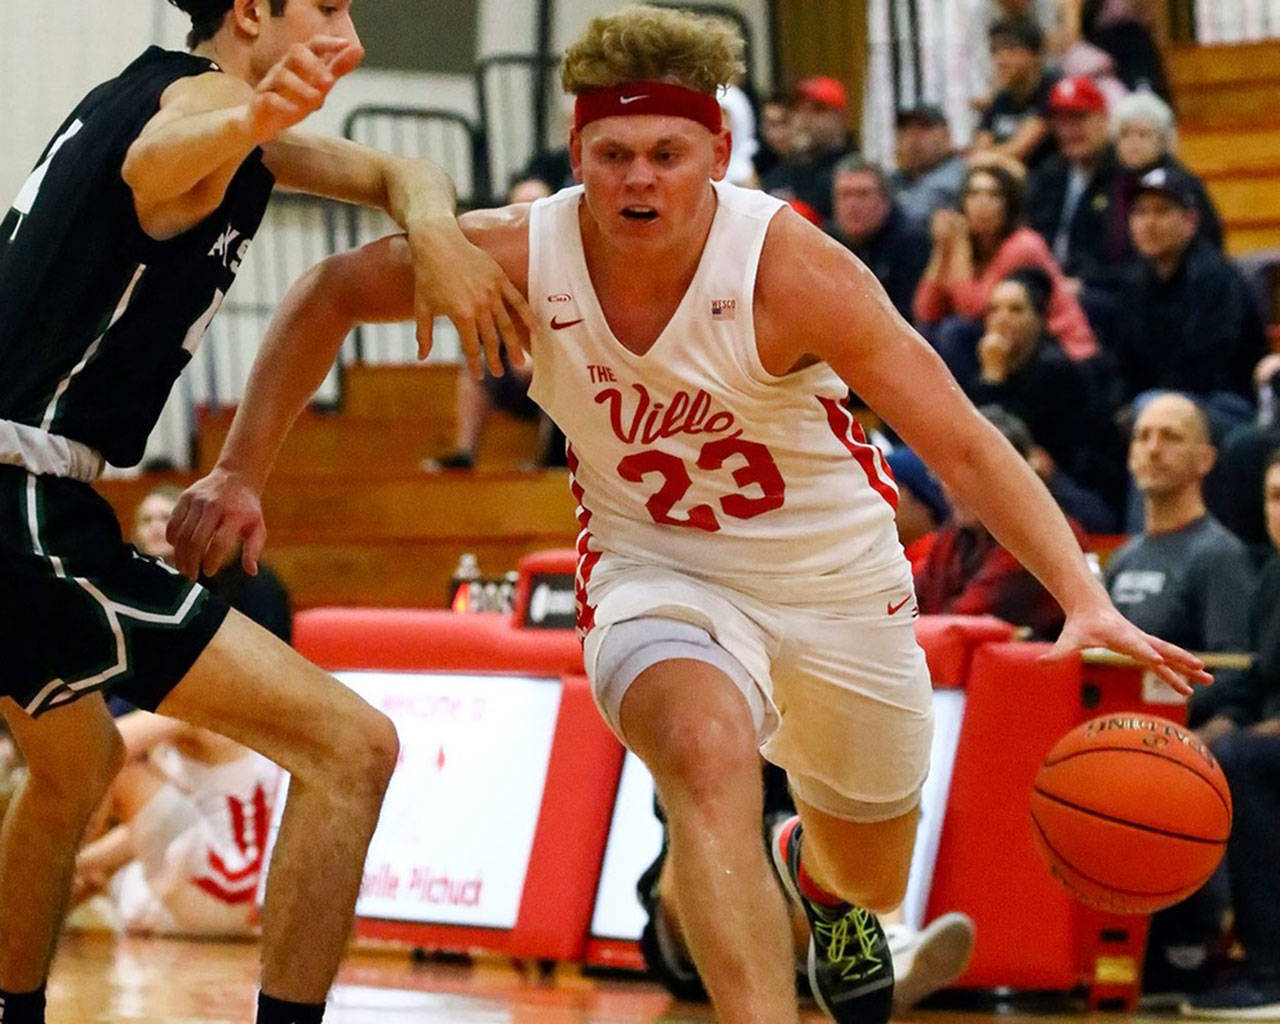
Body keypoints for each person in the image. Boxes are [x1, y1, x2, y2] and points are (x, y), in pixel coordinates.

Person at [174, 8, 1210, 1023]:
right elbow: (322, 296)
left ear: (716, 151)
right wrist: (238, 472)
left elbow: (961, 442)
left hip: (833, 581)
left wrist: (1080, 594)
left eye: (666, 152)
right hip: (654, 567)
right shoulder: (521, 255)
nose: (636, 179)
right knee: (703, 756)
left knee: (868, 861)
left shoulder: (789, 267)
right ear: (576, 150)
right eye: (612, 151)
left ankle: (817, 878)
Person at [0, 0, 532, 1020]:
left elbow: (396, 172)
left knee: (81, 761)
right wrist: (244, 121)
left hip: (39, 500)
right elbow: (158, 163)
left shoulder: (170, 100)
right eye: (327, 6)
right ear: (251, 11)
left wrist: (432, 233)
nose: (352, 33)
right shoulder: (191, 110)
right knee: (350, 746)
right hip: (20, 509)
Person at [1181, 448, 1280, 1019]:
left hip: (1269, 746)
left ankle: (1271, 968)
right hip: (1266, 735)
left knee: (1244, 761)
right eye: (1274, 497)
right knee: (1181, 758)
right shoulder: (1271, 576)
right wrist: (1198, 735)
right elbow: (1255, 681)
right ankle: (1177, 955)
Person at [914, 162, 1098, 387]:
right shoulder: (966, 249)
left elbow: (974, 309)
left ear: (1009, 205)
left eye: (994, 195)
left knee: (956, 331)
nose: (983, 204)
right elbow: (925, 312)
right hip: (1010, 344)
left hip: (1059, 350)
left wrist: (958, 245)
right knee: (926, 334)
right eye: (974, 194)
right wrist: (941, 252)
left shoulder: (1024, 245)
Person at [1113, 168, 1269, 430]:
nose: (1149, 223)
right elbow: (1125, 362)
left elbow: (1207, 369)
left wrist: (1156, 404)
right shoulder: (1134, 282)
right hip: (1159, 399)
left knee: (1149, 413)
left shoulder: (1215, 278)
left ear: (1190, 221)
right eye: (1140, 212)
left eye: (1161, 211)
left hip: (1226, 403)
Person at [915, 405, 1085, 638]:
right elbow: (911, 606)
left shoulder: (1041, 538)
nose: (955, 488)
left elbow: (962, 624)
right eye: (944, 473)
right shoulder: (954, 535)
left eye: (972, 474)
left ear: (1015, 475)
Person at [967, 268, 1123, 512]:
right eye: (994, 309)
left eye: (1015, 309)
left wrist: (993, 381)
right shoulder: (992, 363)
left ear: (1039, 319)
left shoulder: (1055, 368)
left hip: (1079, 490)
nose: (1002, 318)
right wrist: (991, 378)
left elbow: (1009, 442)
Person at [1109, 90, 1222, 254]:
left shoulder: (1181, 184)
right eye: (1125, 134)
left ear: (1163, 140)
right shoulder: (1112, 181)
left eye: (1143, 134)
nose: (1133, 143)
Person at [828, 157, 931, 320]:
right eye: (845, 195)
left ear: (885, 200)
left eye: (863, 194)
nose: (853, 204)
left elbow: (907, 315)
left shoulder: (911, 241)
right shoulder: (827, 241)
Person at [972, 16, 1061, 170]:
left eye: (1010, 50)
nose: (1000, 59)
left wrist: (986, 158)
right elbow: (979, 149)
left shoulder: (1052, 88)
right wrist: (984, 158)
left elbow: (1019, 148)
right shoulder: (1002, 99)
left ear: (1036, 54)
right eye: (995, 51)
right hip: (1005, 180)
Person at [761, 75, 854, 222]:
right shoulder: (781, 171)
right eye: (800, 109)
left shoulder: (853, 173)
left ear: (841, 117)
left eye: (818, 110)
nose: (806, 118)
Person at [890, 104, 967, 224]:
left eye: (923, 129)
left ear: (946, 136)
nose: (913, 138)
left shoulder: (957, 179)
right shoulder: (897, 178)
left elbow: (913, 220)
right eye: (906, 130)